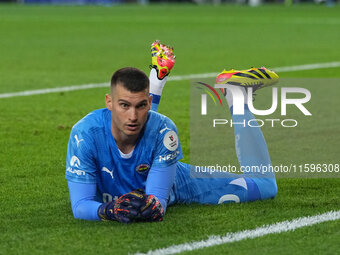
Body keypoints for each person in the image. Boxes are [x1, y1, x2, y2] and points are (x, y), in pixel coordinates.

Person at [65, 40, 278, 223]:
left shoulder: (165, 129)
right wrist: (108, 210)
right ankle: (156, 79)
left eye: (140, 105)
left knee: (265, 186)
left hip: (178, 183)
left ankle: (236, 95)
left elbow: (157, 204)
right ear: (109, 102)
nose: (132, 115)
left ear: (148, 103)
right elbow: (81, 206)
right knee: (141, 127)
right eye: (123, 105)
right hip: (145, 159)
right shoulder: (84, 135)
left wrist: (149, 206)